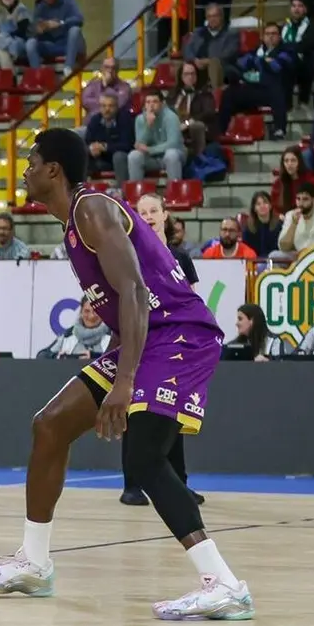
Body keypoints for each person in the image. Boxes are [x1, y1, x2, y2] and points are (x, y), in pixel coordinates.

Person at [0, 128, 253, 621]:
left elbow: (136, 292)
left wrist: (124, 382)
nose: (25, 172)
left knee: (144, 458)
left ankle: (225, 584)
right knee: (50, 425)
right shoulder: (73, 225)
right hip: (144, 339)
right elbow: (126, 305)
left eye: (31, 163)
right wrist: (118, 367)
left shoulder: (91, 209)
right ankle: (34, 563)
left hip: (178, 334)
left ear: (54, 170)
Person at [125, 193, 203, 507]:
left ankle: (179, 484)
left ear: (165, 214)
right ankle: (132, 485)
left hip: (175, 345)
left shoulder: (180, 257)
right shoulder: (129, 256)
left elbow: (193, 302)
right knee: (135, 413)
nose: (148, 217)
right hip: (143, 343)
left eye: (153, 210)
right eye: (142, 212)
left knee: (172, 412)